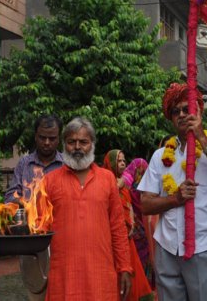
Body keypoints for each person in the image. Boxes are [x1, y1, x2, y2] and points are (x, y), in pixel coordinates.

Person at [138, 83, 207, 301]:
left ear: (198, 110)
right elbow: (145, 204)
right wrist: (175, 199)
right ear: (170, 117)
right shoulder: (160, 156)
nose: (181, 114)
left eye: (186, 109)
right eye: (175, 111)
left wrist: (201, 138)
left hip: (206, 245)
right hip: (167, 246)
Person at [42, 117, 132, 300]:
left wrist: (124, 267)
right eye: (71, 142)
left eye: (83, 142)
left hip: (101, 275)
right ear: (64, 145)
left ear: (92, 144)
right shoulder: (49, 181)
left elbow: (118, 228)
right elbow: (38, 228)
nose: (77, 147)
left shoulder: (107, 179)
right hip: (63, 275)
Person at [4, 114, 63, 301]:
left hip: (60, 237)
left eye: (52, 138)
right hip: (31, 238)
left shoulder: (67, 165)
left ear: (59, 138)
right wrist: (20, 202)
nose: (46, 142)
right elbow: (11, 195)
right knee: (35, 288)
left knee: (61, 288)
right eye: (42, 137)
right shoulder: (24, 163)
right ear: (35, 136)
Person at [103, 150, 153, 301]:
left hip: (129, 238)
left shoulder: (124, 186)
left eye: (124, 160)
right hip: (114, 240)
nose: (123, 163)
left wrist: (130, 224)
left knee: (132, 276)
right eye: (119, 161)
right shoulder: (107, 185)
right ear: (110, 163)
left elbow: (129, 207)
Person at [121, 158, 156, 288]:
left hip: (146, 234)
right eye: (138, 171)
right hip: (135, 235)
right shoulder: (125, 190)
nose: (140, 174)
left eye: (143, 171)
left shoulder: (149, 191)